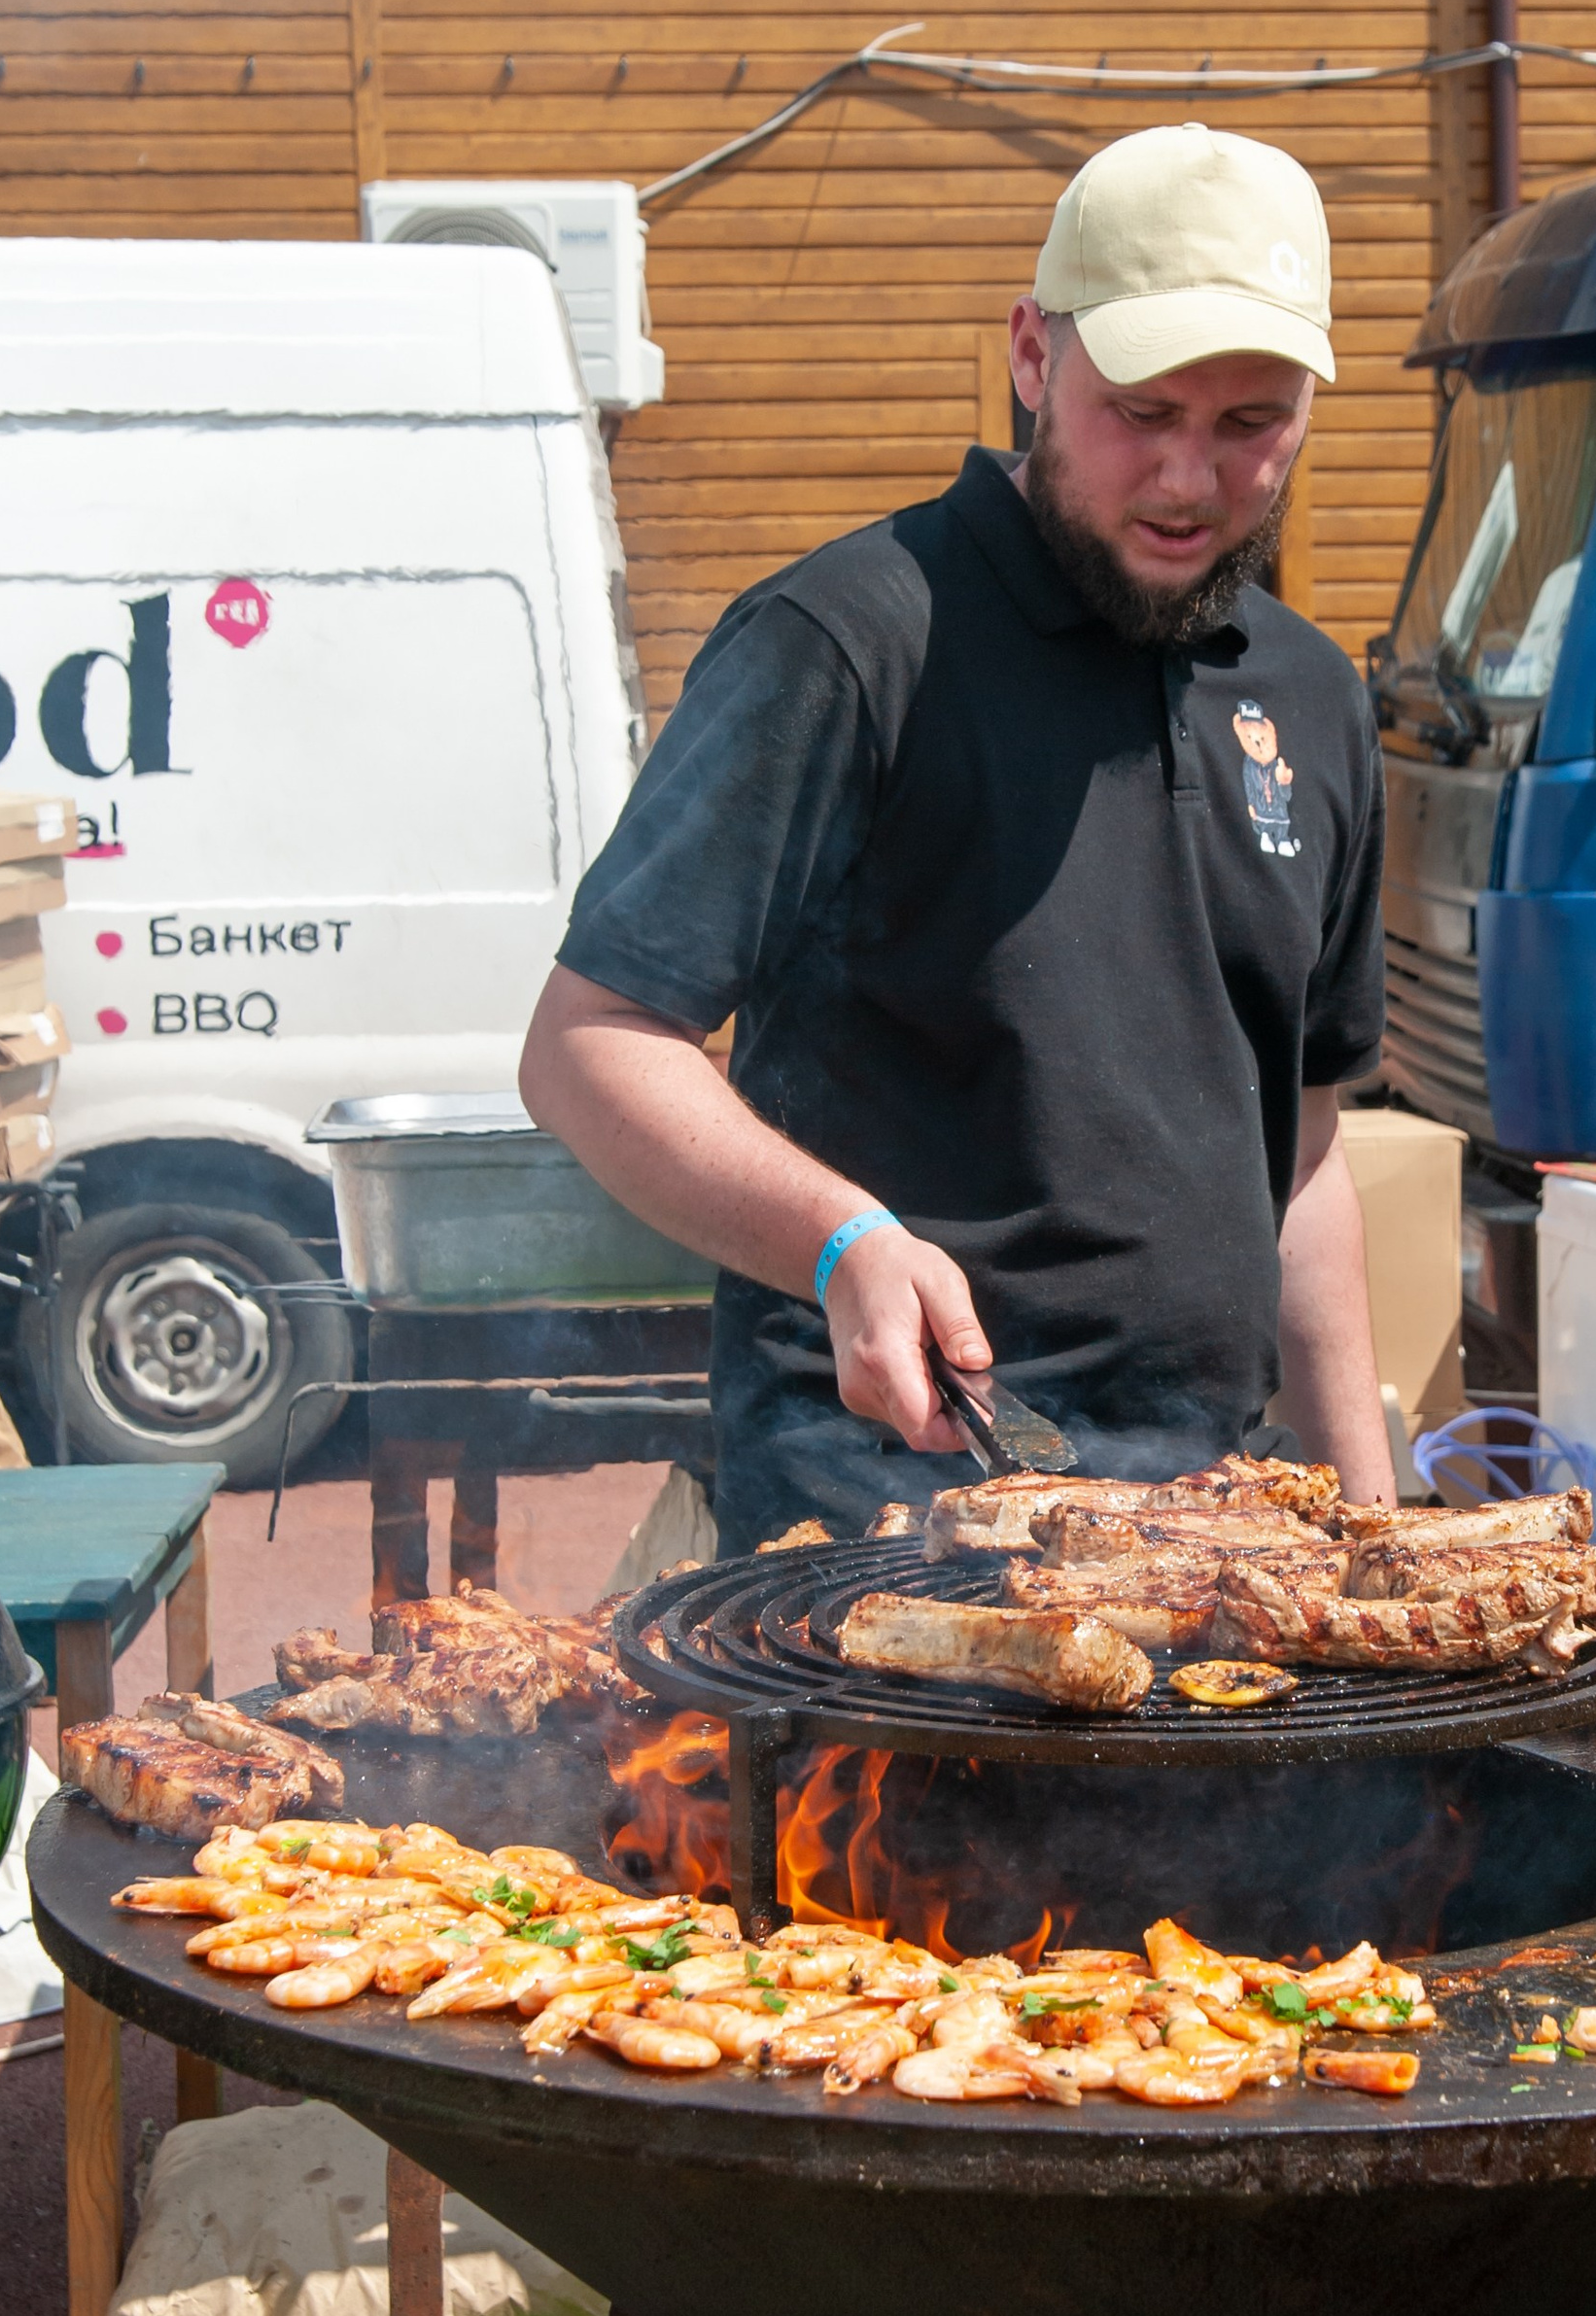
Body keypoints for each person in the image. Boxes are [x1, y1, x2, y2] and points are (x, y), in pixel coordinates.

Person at [520, 121, 1395, 1542]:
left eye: (1251, 423)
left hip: (1216, 1530)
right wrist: (842, 1241)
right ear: (1034, 356)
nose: (1189, 480)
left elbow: (1300, 1158)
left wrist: (1375, 1533)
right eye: (1143, 411)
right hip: (877, 1524)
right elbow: (586, 1045)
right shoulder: (848, 642)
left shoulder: (1309, 694)